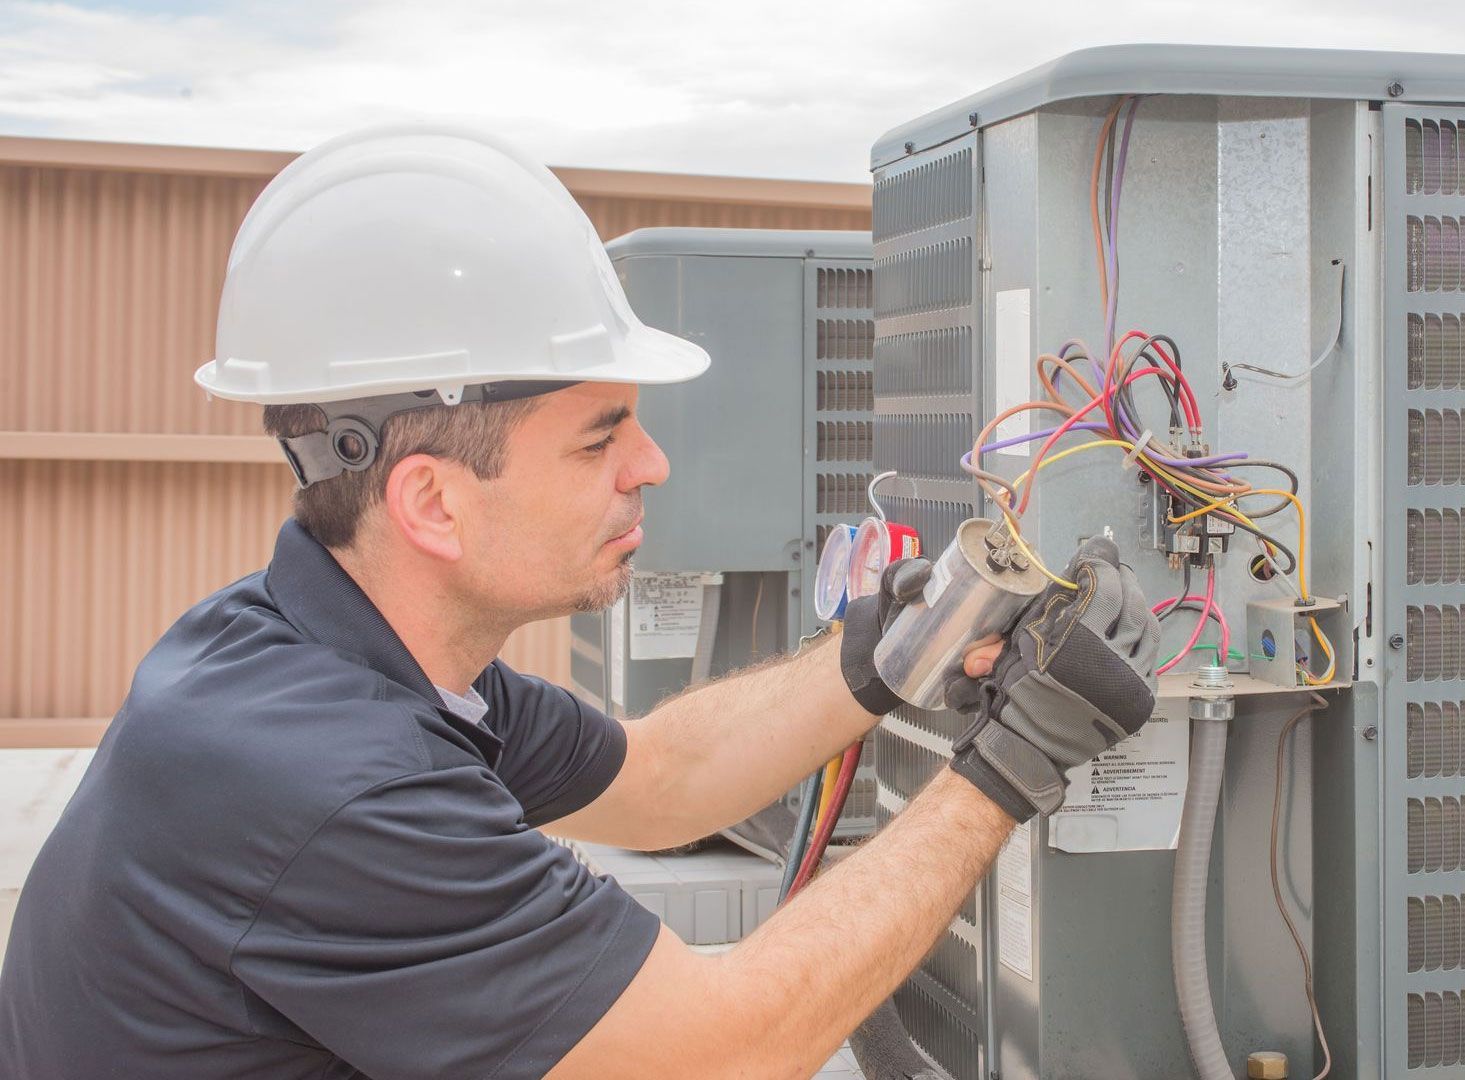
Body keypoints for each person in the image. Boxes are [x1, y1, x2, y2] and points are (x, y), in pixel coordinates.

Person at [0, 126, 1161, 1079]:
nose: (650, 465)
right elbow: (726, 1050)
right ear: (433, 504)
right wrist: (1010, 771)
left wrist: (881, 654)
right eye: (601, 437)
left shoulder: (313, 651)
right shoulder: (334, 788)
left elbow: (657, 779)